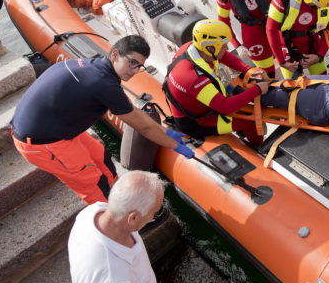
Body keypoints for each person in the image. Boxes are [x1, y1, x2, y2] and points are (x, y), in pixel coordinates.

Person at [11, 35, 193, 205]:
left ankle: (119, 198)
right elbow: (143, 127)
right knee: (94, 184)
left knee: (101, 155)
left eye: (140, 66)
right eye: (132, 63)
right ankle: (114, 224)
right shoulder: (104, 85)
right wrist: (173, 144)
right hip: (41, 142)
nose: (135, 71)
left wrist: (166, 132)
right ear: (115, 54)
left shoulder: (94, 67)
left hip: (54, 127)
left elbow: (138, 116)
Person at [68, 170, 174, 283]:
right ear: (133, 217)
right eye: (153, 212)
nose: (153, 217)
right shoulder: (113, 281)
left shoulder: (93, 212)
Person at [164, 19, 268, 145]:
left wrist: (247, 70)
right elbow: (224, 106)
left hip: (201, 102)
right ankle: (258, 148)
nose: (227, 47)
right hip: (196, 122)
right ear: (210, 48)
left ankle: (241, 130)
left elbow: (224, 55)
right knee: (252, 121)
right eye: (223, 45)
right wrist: (257, 89)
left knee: (241, 101)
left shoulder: (196, 47)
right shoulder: (193, 78)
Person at [266, 0, 329, 79]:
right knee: (292, 85)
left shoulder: (328, 2)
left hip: (312, 42)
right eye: (315, 5)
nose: (319, 9)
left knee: (323, 79)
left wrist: (319, 55)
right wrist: (282, 62)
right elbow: (271, 29)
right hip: (288, 45)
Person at [217, 0, 278, 77]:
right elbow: (224, 23)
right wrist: (237, 46)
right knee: (268, 72)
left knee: (288, 59)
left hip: (273, 24)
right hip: (252, 34)